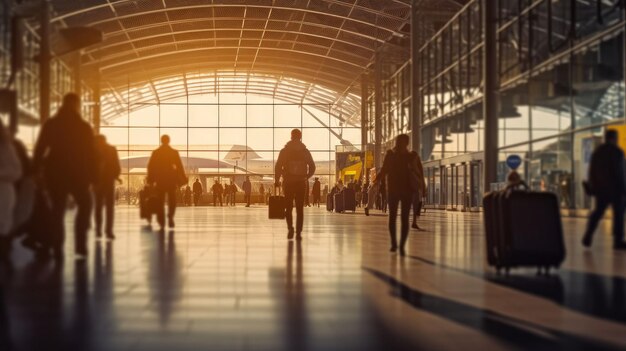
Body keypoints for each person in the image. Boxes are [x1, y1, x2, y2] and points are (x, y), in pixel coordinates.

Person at [33, 93, 97, 258]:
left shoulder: (52, 124)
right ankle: (80, 244)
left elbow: (40, 148)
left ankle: (57, 247)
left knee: (57, 210)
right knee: (85, 205)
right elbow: (92, 154)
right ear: (77, 105)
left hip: (55, 173)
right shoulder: (83, 126)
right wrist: (93, 177)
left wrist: (34, 170)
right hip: (78, 174)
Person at [375, 134, 422, 256]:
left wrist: (377, 180)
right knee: (399, 218)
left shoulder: (408, 156)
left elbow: (384, 170)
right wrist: (377, 180)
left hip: (399, 190)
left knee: (398, 218)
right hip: (400, 190)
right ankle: (397, 245)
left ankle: (399, 245)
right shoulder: (402, 155)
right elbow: (385, 169)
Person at [582, 130, 626, 250]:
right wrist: (623, 190)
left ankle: (588, 235)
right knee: (618, 215)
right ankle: (618, 241)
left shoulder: (597, 152)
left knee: (598, 212)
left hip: (601, 190)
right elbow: (620, 173)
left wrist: (593, 187)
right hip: (616, 190)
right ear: (614, 138)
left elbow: (591, 172)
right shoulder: (617, 152)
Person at [275, 129, 316, 240]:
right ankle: (298, 233)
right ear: (300, 137)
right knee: (299, 209)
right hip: (300, 183)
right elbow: (312, 166)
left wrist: (277, 180)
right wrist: (306, 176)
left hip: (288, 182)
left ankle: (290, 229)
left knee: (288, 207)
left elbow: (278, 166)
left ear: (291, 136)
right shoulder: (305, 151)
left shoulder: (285, 151)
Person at [146, 134, 187, 231]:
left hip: (160, 180)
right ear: (168, 141)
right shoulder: (173, 152)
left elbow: (150, 167)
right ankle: (170, 217)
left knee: (160, 200)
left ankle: (161, 220)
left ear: (161, 140)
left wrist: (151, 179)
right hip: (171, 179)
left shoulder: (156, 152)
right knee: (172, 199)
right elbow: (179, 166)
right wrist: (183, 178)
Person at [0, 119, 22, 262]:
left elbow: (16, 171)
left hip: (3, 192)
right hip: (4, 190)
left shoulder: (5, 147)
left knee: (2, 224)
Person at [94, 134, 121, 240]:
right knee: (109, 207)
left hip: (98, 181)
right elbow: (116, 164)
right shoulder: (112, 149)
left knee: (98, 207)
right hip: (109, 181)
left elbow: (90, 165)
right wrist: (116, 175)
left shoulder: (94, 150)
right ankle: (108, 231)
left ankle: (98, 230)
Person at [411, 152, 426, 230]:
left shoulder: (418, 168)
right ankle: (413, 222)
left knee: (416, 205)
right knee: (414, 204)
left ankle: (414, 222)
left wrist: (423, 189)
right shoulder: (410, 168)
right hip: (411, 189)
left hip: (416, 188)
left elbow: (421, 179)